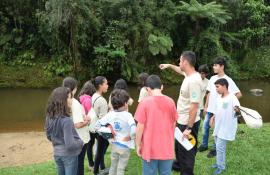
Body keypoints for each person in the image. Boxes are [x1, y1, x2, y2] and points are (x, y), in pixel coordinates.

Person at [160, 51, 202, 175]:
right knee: (179, 149)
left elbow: (194, 106)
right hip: (181, 121)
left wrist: (189, 128)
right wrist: (168, 65)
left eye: (180, 60)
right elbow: (179, 70)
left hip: (188, 123)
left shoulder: (194, 81)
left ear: (185, 62)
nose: (179, 63)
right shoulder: (188, 75)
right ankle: (179, 166)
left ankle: (187, 172)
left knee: (187, 153)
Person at [198, 57, 242, 158]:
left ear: (222, 66)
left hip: (219, 111)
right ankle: (204, 145)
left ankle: (215, 149)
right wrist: (205, 106)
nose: (213, 67)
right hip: (210, 110)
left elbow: (238, 94)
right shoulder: (213, 78)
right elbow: (209, 93)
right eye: (213, 65)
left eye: (215, 65)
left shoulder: (228, 80)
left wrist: (227, 102)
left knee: (216, 130)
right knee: (205, 127)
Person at [135, 75, 178, 175]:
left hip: (149, 147)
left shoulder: (144, 102)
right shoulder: (171, 101)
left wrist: (138, 144)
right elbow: (173, 123)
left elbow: (140, 127)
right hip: (166, 147)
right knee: (166, 172)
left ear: (147, 89)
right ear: (162, 87)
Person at [95, 89, 136, 175]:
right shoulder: (128, 116)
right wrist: (130, 137)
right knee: (120, 169)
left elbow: (97, 126)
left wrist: (109, 130)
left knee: (113, 167)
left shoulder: (110, 114)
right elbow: (134, 130)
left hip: (114, 145)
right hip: (125, 146)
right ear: (125, 104)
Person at [45, 87, 83, 175]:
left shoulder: (49, 117)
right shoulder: (66, 120)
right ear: (62, 100)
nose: (71, 100)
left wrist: (58, 142)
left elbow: (49, 136)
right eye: (69, 98)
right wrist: (80, 142)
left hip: (57, 154)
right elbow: (70, 145)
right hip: (69, 155)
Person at [211, 78, 240, 174]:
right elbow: (218, 110)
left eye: (217, 87)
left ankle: (221, 167)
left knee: (220, 147)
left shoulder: (232, 97)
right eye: (215, 87)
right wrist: (213, 117)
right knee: (217, 145)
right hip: (218, 126)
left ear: (224, 86)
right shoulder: (219, 98)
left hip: (226, 127)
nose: (216, 89)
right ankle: (218, 162)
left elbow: (237, 109)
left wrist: (237, 109)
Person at [62, 77, 91, 175]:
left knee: (71, 164)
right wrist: (87, 121)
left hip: (68, 137)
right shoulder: (75, 103)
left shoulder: (61, 100)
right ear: (74, 88)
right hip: (79, 138)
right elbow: (78, 124)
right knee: (79, 164)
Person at [91, 76, 109, 175]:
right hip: (101, 129)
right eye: (106, 84)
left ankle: (100, 168)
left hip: (95, 127)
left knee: (103, 146)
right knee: (100, 149)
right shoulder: (102, 100)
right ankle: (96, 171)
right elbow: (103, 119)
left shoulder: (94, 95)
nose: (107, 85)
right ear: (100, 85)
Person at [77, 80, 97, 171]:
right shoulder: (88, 100)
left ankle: (91, 164)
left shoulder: (80, 97)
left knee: (89, 144)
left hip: (81, 124)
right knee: (91, 144)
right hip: (87, 125)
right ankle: (92, 164)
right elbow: (90, 114)